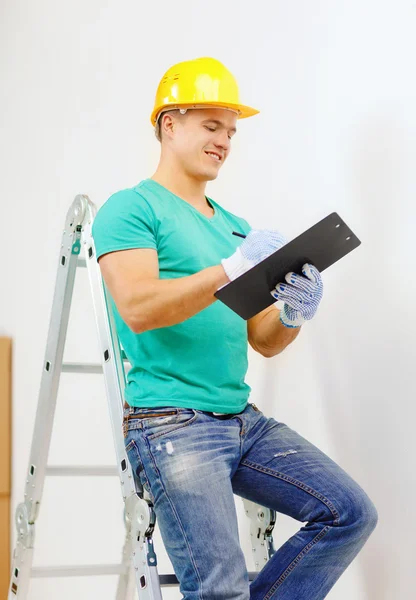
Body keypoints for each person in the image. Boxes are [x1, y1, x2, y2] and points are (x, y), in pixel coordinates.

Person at [92, 57, 378, 600]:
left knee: (348, 513)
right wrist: (229, 269)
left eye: (230, 131)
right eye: (211, 125)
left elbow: (264, 341)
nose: (224, 140)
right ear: (169, 124)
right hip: (171, 422)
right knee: (221, 588)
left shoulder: (234, 228)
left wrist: (292, 311)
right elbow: (138, 307)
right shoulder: (131, 209)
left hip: (241, 420)